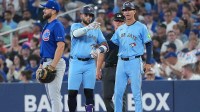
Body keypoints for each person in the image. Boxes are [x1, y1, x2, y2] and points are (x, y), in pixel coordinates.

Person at [111, 1, 152, 112]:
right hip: (121, 62)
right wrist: (100, 46)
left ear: (134, 11)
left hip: (134, 61)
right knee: (118, 93)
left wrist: (148, 62)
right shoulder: (120, 29)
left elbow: (149, 44)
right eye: (125, 10)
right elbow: (112, 45)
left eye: (129, 9)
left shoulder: (141, 27)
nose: (127, 12)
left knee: (136, 93)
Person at [68, 5, 108, 112]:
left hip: (90, 63)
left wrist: (99, 50)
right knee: (72, 92)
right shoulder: (75, 25)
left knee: (89, 92)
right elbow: (76, 34)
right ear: (81, 15)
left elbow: (105, 45)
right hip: (76, 62)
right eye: (86, 14)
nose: (88, 17)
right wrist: (88, 27)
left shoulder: (97, 29)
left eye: (90, 15)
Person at [36, 0, 66, 112]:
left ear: (53, 10)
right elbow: (45, 48)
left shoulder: (57, 25)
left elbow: (61, 46)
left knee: (54, 96)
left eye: (46, 8)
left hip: (55, 62)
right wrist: (41, 65)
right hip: (46, 62)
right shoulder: (47, 25)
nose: (44, 10)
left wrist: (52, 65)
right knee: (51, 96)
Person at [102, 13, 127, 112]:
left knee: (121, 97)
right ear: (113, 22)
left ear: (124, 23)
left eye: (121, 21)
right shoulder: (108, 36)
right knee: (106, 97)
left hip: (122, 69)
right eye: (117, 21)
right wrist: (98, 68)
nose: (119, 23)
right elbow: (102, 54)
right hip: (108, 68)